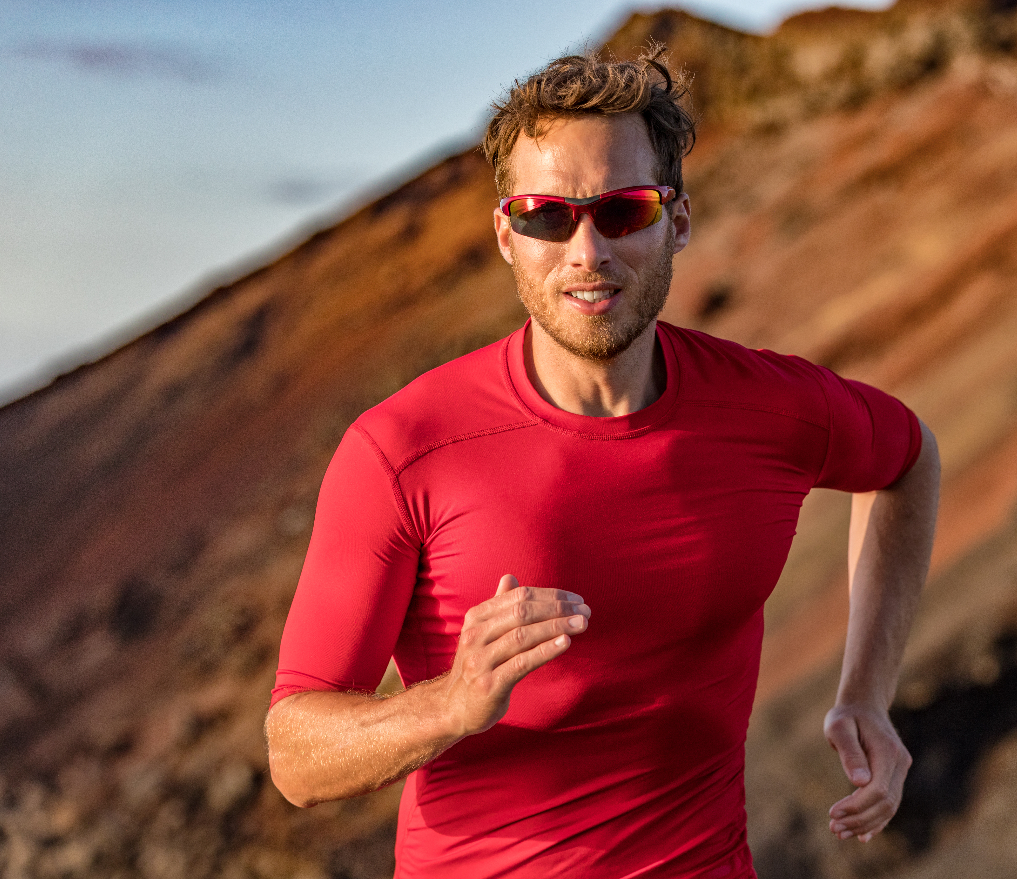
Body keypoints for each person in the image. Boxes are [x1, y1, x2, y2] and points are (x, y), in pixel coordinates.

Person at [265, 49, 940, 879]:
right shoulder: (404, 448)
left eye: (623, 211)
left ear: (678, 222)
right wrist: (451, 702)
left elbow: (907, 460)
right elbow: (295, 755)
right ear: (507, 234)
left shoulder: (768, 408)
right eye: (549, 214)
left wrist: (867, 692)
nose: (586, 251)